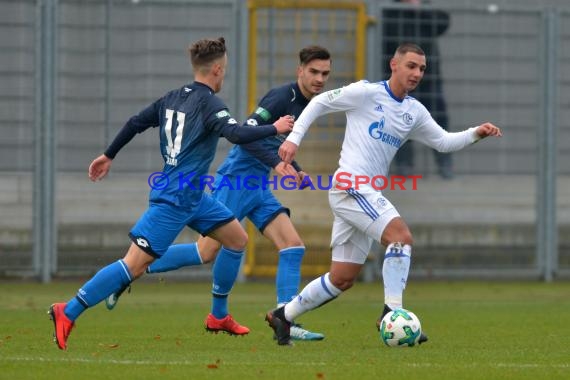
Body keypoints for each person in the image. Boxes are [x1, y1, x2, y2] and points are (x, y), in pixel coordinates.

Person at [47, 36, 294, 350]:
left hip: (193, 196)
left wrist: (109, 155)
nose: (224, 74)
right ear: (217, 70)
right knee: (132, 265)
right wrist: (275, 127)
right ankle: (67, 310)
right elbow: (236, 133)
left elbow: (135, 122)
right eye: (225, 70)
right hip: (175, 198)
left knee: (236, 239)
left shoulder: (171, 98)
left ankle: (218, 316)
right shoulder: (210, 104)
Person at [267, 42, 502, 346]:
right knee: (400, 237)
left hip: (365, 194)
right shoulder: (367, 93)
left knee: (342, 278)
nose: (417, 73)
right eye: (411, 66)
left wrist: (475, 134)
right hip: (351, 185)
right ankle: (393, 313)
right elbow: (321, 101)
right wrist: (294, 138)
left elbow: (443, 142)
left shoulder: (414, 111)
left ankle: (282, 316)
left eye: (421, 68)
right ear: (394, 65)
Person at [105, 46, 333, 341]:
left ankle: (285, 318)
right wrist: (277, 163)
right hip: (237, 179)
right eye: (313, 72)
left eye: (325, 73)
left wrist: (294, 167)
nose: (319, 79)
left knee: (292, 246)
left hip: (258, 185)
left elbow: (277, 142)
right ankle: (131, 270)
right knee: (206, 251)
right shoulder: (281, 98)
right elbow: (246, 137)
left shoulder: (309, 104)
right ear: (300, 71)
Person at [383, 0, 454, 179]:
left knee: (438, 121)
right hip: (401, 80)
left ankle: (445, 166)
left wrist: (419, 9)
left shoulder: (426, 9)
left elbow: (442, 23)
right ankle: (404, 166)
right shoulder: (391, 11)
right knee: (400, 123)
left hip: (429, 79)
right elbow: (387, 33)